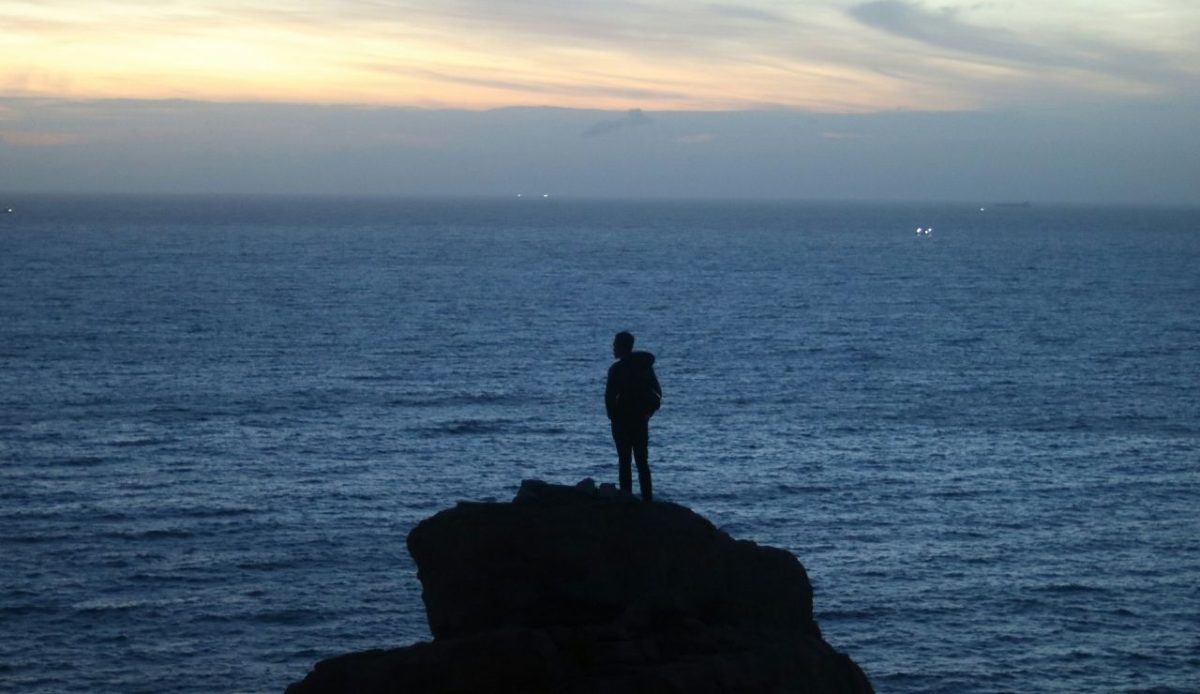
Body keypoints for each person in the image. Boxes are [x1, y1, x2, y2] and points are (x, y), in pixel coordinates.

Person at [605, 331, 661, 502]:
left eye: (615, 345)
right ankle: (647, 500)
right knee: (642, 462)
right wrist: (647, 414)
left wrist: (613, 416)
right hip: (639, 420)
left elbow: (609, 397)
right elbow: (658, 393)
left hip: (623, 421)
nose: (613, 348)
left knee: (625, 462)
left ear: (622, 347)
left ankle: (626, 499)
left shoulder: (617, 369)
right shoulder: (644, 366)